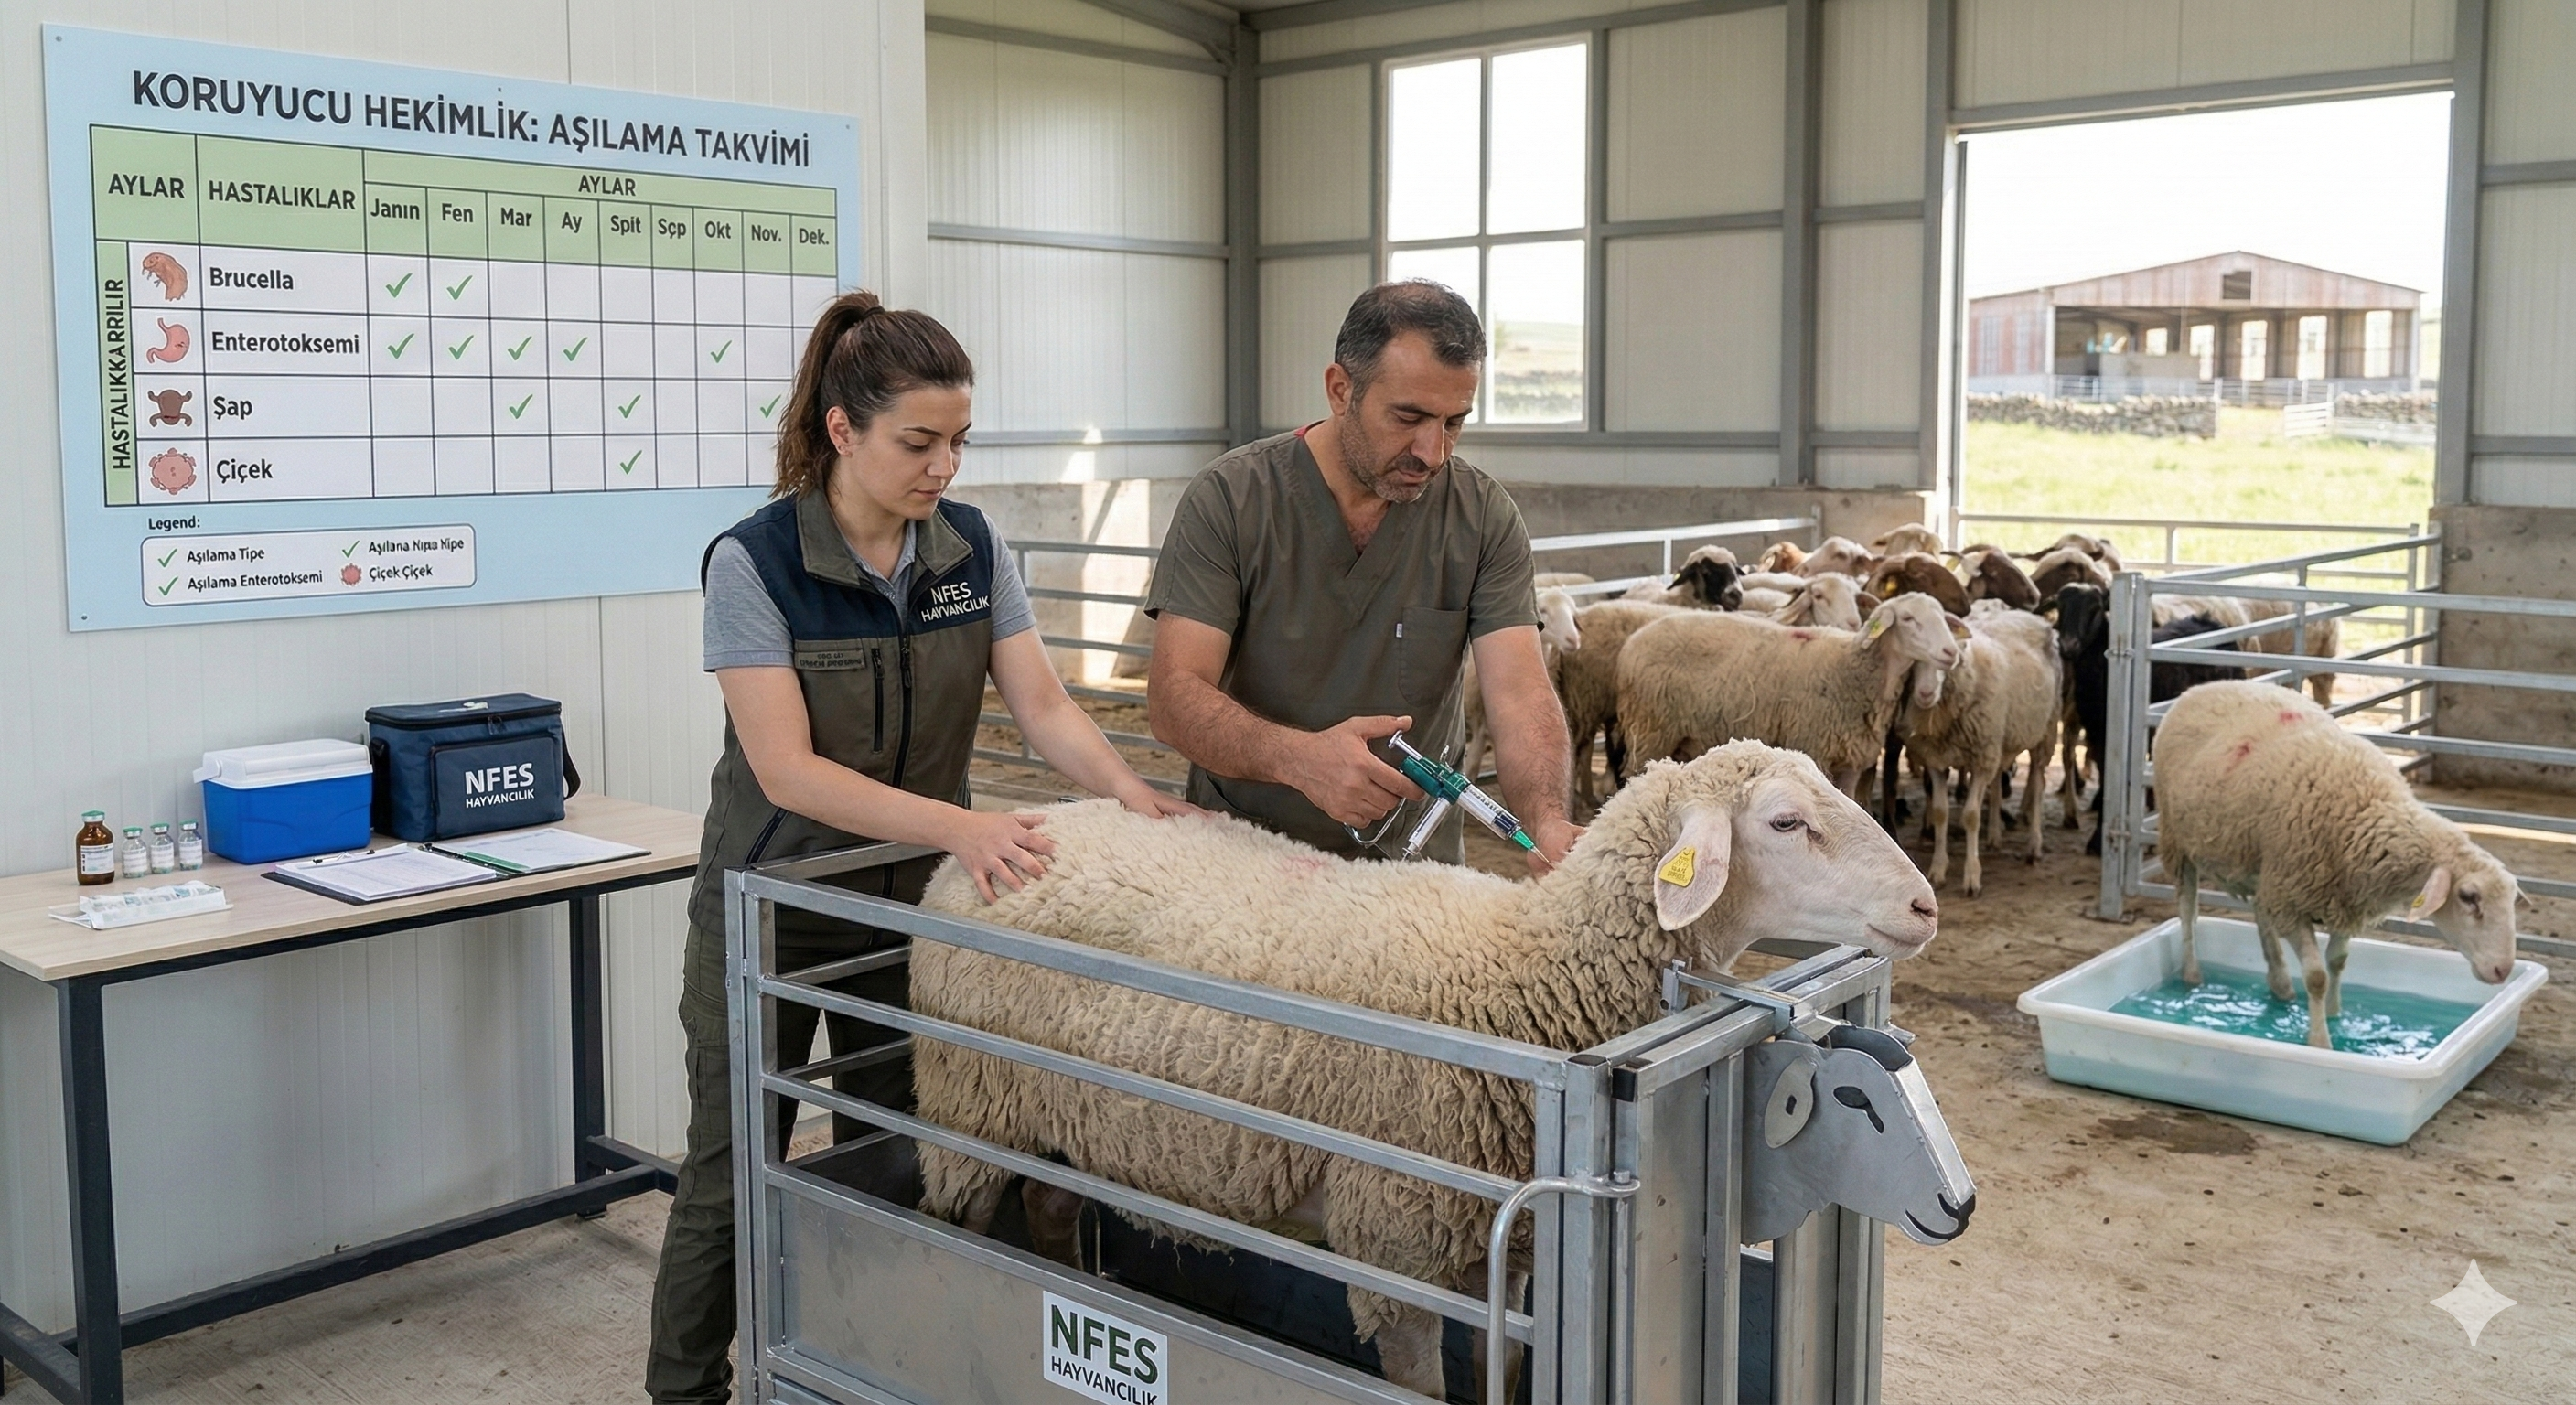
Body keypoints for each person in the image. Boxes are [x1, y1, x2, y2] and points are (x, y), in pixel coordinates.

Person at [649, 291, 1194, 1403]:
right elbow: (788, 771)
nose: (943, 466)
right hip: (771, 911)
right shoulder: (754, 563)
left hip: (906, 913)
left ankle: (865, 1369)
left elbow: (1043, 706)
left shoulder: (970, 548)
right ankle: (686, 1391)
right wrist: (963, 826)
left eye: (958, 441)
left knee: (897, 1151)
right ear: (842, 431)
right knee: (729, 1172)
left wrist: (1134, 796)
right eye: (918, 442)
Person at [1144, 280, 1579, 870]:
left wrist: (1547, 820)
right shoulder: (1231, 499)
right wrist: (1297, 758)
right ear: (1340, 390)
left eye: (1454, 422)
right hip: (1244, 865)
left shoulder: (1481, 517)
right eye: (1409, 417)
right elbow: (1174, 697)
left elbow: (1520, 694)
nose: (1433, 452)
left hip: (1410, 876)